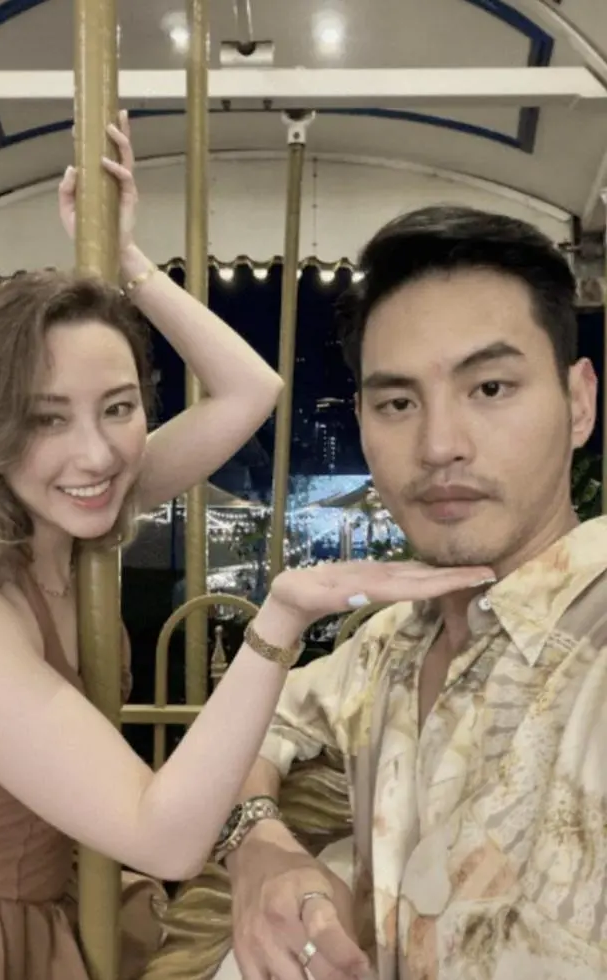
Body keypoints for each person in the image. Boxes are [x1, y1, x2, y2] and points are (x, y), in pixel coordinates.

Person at [0, 111, 494, 980]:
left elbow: (251, 389)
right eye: (46, 419)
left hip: (66, 903)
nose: (94, 454)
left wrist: (131, 267)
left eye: (119, 407)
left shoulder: (73, 515)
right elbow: (165, 837)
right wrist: (279, 619)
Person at [214, 206, 607, 980]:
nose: (439, 446)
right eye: (398, 403)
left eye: (490, 387)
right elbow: (243, 733)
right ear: (363, 421)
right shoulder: (390, 645)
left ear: (580, 402)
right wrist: (259, 846)